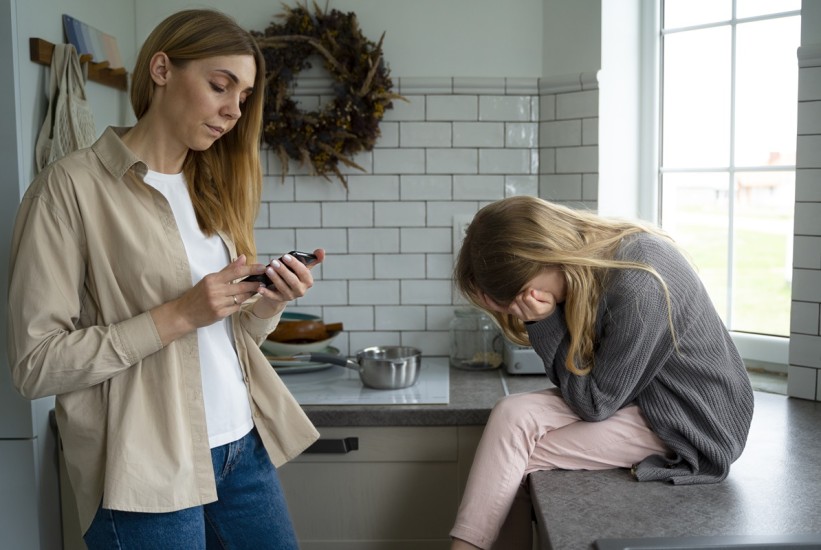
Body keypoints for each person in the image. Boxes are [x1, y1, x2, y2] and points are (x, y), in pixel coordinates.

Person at [7, 9, 322, 549]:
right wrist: (176, 315)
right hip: (141, 468)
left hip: (241, 451)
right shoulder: (69, 190)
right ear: (161, 69)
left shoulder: (215, 190)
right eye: (220, 85)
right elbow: (36, 366)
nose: (231, 110)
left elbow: (224, 338)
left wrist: (266, 306)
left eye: (243, 97)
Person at [449, 196, 754, 549]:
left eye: (521, 297)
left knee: (515, 462)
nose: (526, 305)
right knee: (510, 413)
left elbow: (594, 404)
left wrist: (541, 320)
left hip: (694, 424)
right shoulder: (599, 261)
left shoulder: (640, 283)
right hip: (644, 397)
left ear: (542, 263)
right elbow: (592, 379)